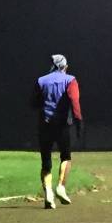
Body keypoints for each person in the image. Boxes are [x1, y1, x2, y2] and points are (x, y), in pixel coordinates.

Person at [33, 53, 82, 208]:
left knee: (46, 162)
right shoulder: (70, 80)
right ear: (64, 67)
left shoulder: (41, 80)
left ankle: (48, 193)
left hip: (44, 125)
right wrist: (78, 121)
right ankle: (60, 186)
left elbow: (33, 103)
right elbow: (74, 101)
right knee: (65, 157)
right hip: (62, 125)